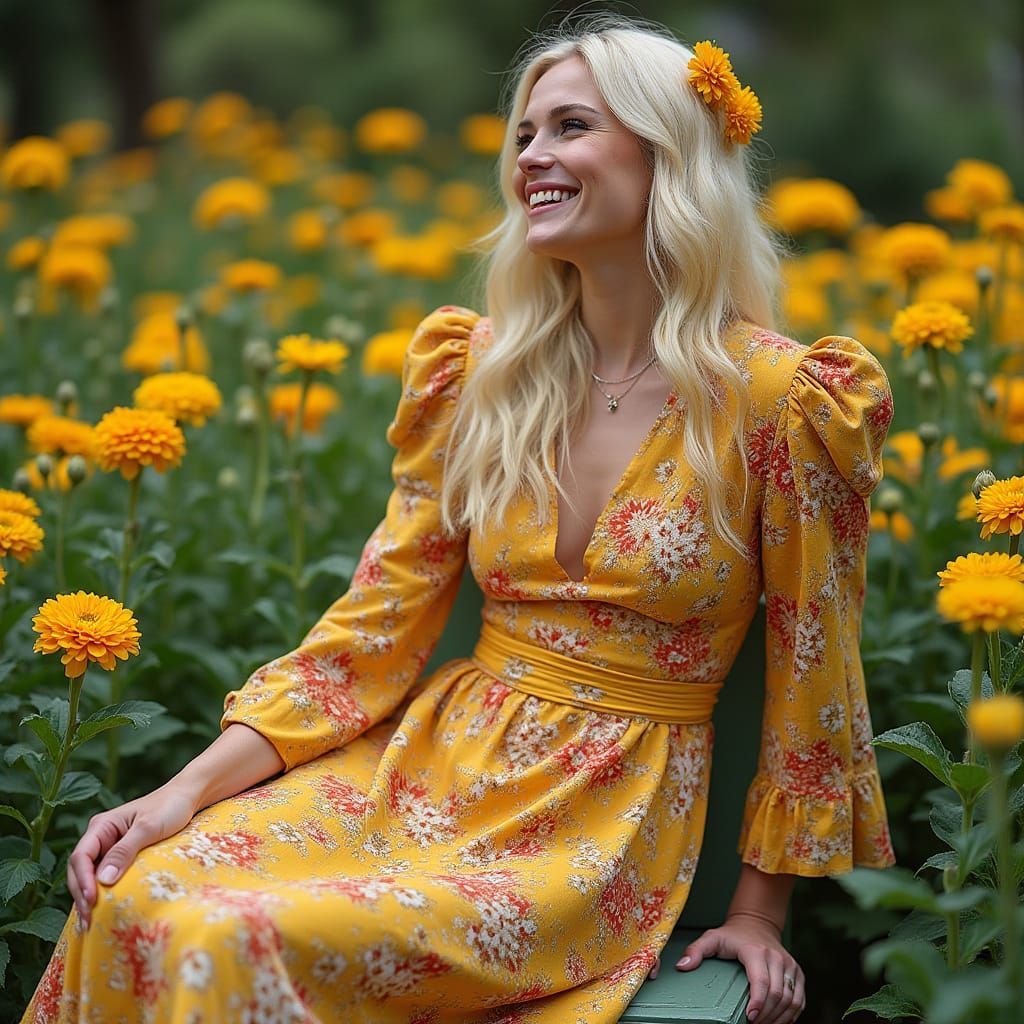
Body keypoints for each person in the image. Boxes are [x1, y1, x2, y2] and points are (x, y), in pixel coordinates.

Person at [23, 13, 897, 1024]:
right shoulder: (485, 371)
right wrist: (182, 790)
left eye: (570, 127)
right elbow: (373, 627)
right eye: (523, 134)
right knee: (141, 889)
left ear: (668, 153)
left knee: (227, 934)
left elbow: (813, 679)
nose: (533, 156)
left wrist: (759, 914)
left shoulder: (784, 401)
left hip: (592, 829)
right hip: (426, 769)